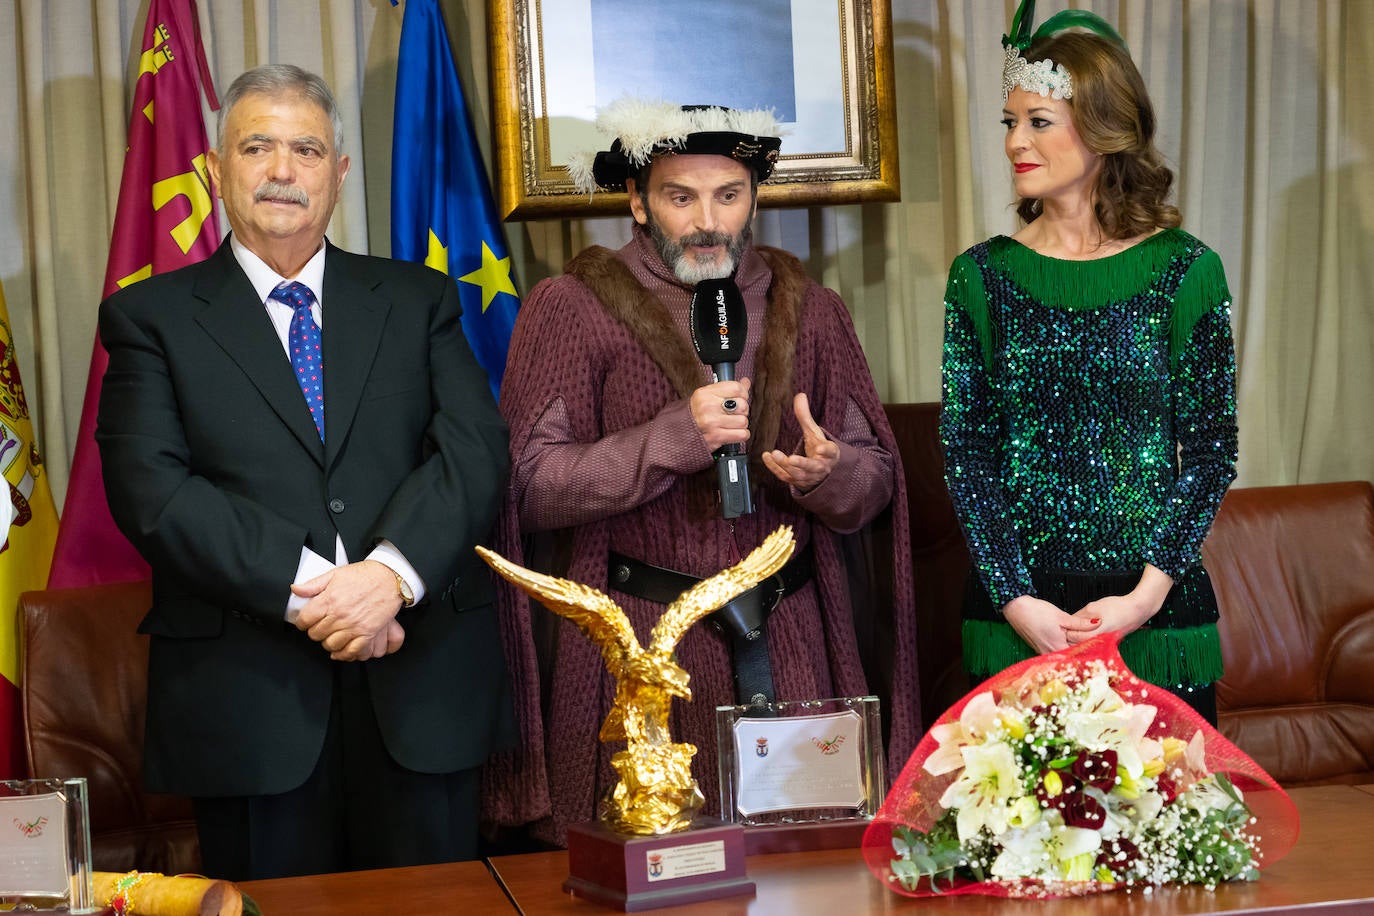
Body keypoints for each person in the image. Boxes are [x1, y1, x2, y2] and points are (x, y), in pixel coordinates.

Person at [96, 65, 513, 880]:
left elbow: (474, 448)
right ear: (215, 170)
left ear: (340, 174)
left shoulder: (418, 299)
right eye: (258, 147)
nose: (283, 171)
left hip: (421, 687)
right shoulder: (150, 319)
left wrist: (389, 579)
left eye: (307, 150)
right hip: (250, 709)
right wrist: (323, 593)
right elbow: (152, 490)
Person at [486, 100, 920, 844]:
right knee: (653, 877)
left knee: (807, 871)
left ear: (755, 196)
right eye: (679, 197)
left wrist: (833, 475)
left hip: (792, 644)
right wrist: (671, 439)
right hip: (643, 656)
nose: (707, 222)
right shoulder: (571, 308)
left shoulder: (812, 309)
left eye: (728, 195)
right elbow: (526, 487)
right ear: (636, 199)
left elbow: (876, 484)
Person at [941, 1, 1239, 724]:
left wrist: (1142, 600)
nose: (1016, 141)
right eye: (1010, 122)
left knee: (1164, 835)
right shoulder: (980, 277)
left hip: (1153, 615)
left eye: (1038, 121)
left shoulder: (1186, 271)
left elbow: (1210, 453)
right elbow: (967, 454)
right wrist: (1017, 600)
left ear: (1103, 129)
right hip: (1020, 617)